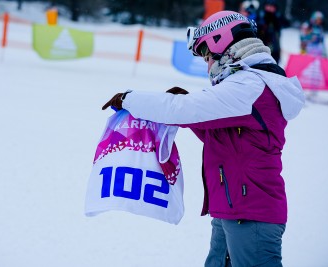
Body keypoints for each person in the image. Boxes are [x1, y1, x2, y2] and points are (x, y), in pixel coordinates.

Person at [102, 10, 305, 266]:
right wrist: (185, 103)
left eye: (208, 57)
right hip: (233, 210)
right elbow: (220, 136)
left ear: (223, 45)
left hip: (251, 214)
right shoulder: (247, 86)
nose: (208, 66)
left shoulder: (251, 86)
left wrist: (129, 98)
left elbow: (184, 110)